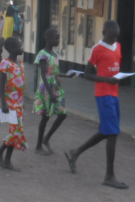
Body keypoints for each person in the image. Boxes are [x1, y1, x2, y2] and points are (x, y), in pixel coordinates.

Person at [64, 20, 128, 189]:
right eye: (112, 36)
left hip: (114, 94)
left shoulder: (118, 46)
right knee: (113, 132)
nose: (114, 39)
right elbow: (87, 74)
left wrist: (118, 77)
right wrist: (107, 79)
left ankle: (76, 152)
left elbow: (114, 67)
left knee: (108, 131)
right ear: (104, 33)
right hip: (103, 95)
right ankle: (109, 176)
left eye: (116, 37)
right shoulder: (97, 49)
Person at [33, 28, 73, 156]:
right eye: (56, 38)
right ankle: (38, 145)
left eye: (58, 38)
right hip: (46, 88)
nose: (58, 40)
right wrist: (50, 93)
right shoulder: (43, 54)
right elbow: (44, 75)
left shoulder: (55, 54)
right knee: (45, 117)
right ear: (48, 39)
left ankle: (46, 138)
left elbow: (54, 72)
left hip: (56, 87)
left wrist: (67, 76)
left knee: (62, 114)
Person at [0, 36, 27, 172]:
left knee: (17, 131)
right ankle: (1, 153)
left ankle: (6, 157)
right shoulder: (5, 64)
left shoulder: (20, 63)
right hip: (10, 103)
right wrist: (3, 103)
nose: (22, 48)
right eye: (20, 46)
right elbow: (1, 84)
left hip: (19, 103)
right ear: (13, 49)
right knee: (15, 131)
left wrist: (22, 103)